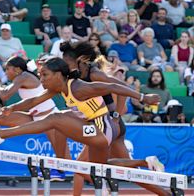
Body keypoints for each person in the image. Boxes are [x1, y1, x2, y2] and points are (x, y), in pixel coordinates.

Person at [0, 57, 160, 178]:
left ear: (58, 75)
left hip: (103, 127)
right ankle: (146, 162)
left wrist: (144, 98)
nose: (41, 80)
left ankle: (2, 135)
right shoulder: (58, 88)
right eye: (40, 75)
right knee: (99, 168)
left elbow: (114, 86)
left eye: (45, 75)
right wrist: (11, 108)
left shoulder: (79, 88)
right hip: (93, 127)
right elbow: (33, 101)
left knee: (56, 118)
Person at [60, 42, 168, 195]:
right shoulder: (74, 76)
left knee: (80, 166)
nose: (64, 67)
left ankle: (101, 185)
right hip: (105, 125)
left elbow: (121, 87)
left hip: (108, 123)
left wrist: (117, 114)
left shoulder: (95, 74)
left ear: (81, 59)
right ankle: (166, 193)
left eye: (67, 63)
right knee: (130, 172)